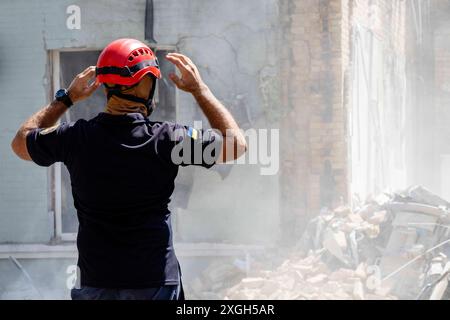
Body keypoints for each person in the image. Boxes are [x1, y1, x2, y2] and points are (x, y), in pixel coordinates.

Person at [11, 38, 247, 300]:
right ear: (146, 83)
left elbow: (21, 143)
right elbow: (236, 145)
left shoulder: (75, 139)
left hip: (96, 283)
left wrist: (67, 99)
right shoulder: (167, 140)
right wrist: (200, 90)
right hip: (155, 283)